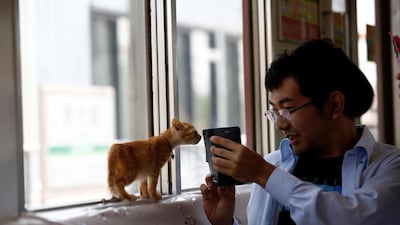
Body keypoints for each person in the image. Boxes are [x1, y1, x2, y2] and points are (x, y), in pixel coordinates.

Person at [200, 38, 400, 225]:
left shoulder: (390, 166)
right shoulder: (274, 163)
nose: (279, 124)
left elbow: (350, 218)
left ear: (334, 105)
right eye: (275, 111)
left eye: (289, 110)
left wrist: (263, 173)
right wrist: (226, 222)